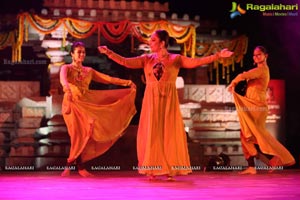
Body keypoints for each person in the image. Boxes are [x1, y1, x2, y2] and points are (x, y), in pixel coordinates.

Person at [98, 29, 233, 181]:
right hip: (151, 101)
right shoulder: (146, 59)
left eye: (153, 40)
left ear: (162, 43)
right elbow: (125, 62)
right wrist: (109, 53)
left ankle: (170, 169)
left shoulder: (175, 59)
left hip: (169, 102)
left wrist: (217, 56)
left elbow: (196, 62)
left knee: (169, 133)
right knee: (152, 133)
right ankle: (152, 169)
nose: (150, 43)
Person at [60, 41, 136, 177]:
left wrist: (127, 82)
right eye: (79, 52)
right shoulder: (66, 68)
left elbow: (108, 79)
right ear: (72, 54)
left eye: (83, 52)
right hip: (71, 104)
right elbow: (63, 80)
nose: (82, 54)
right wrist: (68, 89)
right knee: (77, 134)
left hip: (86, 104)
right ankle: (75, 166)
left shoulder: (88, 71)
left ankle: (75, 165)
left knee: (87, 133)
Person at [227, 45, 295, 174]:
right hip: (252, 105)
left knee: (256, 135)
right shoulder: (259, 70)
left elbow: (244, 75)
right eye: (254, 55)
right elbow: (247, 76)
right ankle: (257, 164)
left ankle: (275, 158)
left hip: (257, 107)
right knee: (246, 135)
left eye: (259, 54)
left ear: (266, 56)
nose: (256, 57)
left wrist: (233, 83)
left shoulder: (262, 70)